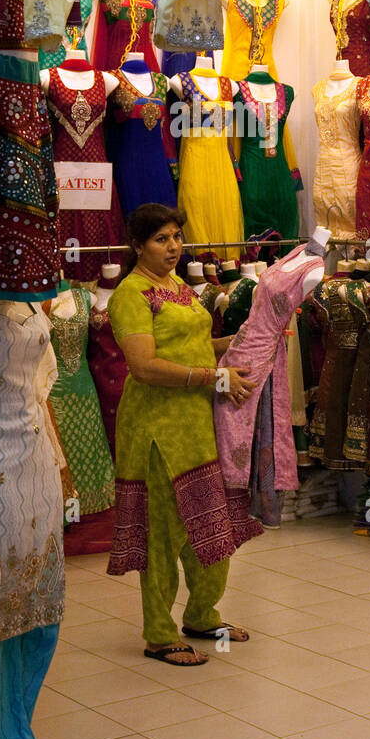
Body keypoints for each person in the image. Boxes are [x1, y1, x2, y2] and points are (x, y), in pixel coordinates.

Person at [106, 203, 261, 665]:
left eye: (177, 237)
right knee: (164, 532)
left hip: (197, 423)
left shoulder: (179, 287)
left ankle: (202, 614)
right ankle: (158, 632)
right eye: (161, 239)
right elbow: (144, 366)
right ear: (137, 246)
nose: (173, 247)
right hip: (156, 428)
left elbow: (194, 346)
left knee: (210, 520)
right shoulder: (131, 294)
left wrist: (246, 341)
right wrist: (213, 378)